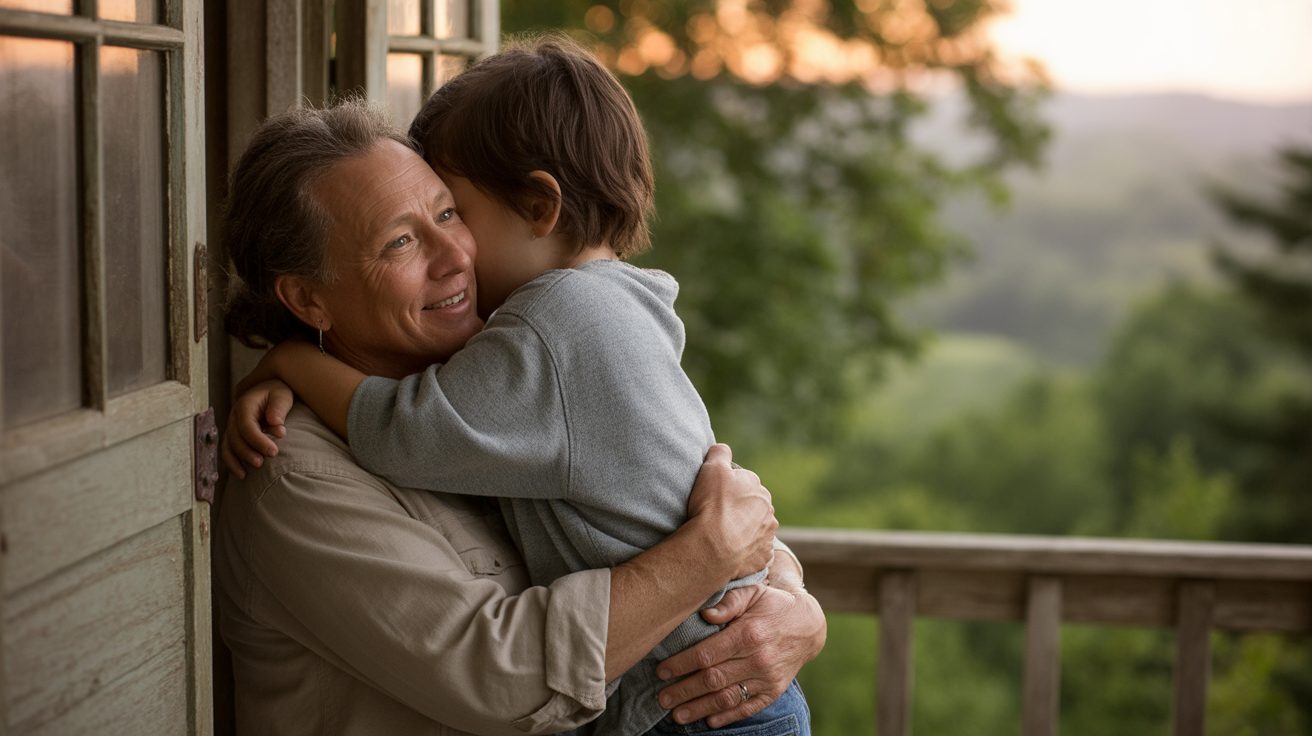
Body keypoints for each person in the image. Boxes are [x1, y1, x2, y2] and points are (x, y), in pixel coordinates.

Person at [226, 35, 812, 735]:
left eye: (449, 213)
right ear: (309, 301)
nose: (456, 255)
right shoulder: (293, 474)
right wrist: (712, 553)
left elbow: (690, 492)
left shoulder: (525, 360)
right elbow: (505, 681)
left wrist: (791, 596)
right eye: (400, 242)